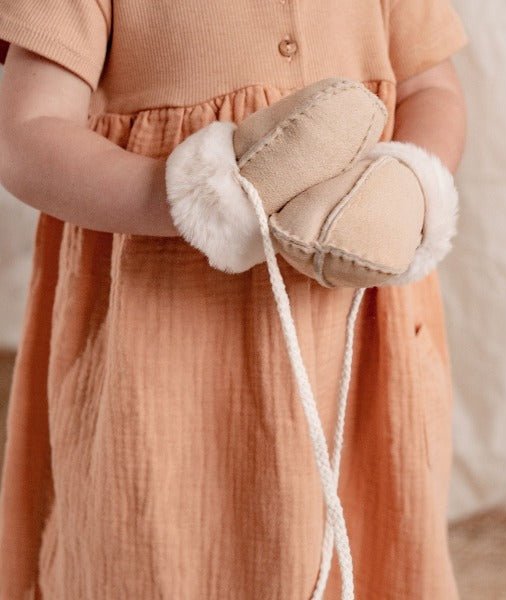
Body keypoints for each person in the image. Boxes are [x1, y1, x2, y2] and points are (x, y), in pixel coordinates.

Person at [0, 1, 468, 598]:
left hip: (347, 327)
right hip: (162, 334)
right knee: (150, 532)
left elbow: (433, 89)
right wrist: (194, 195)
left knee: (359, 517)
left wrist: (408, 184)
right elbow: (27, 135)